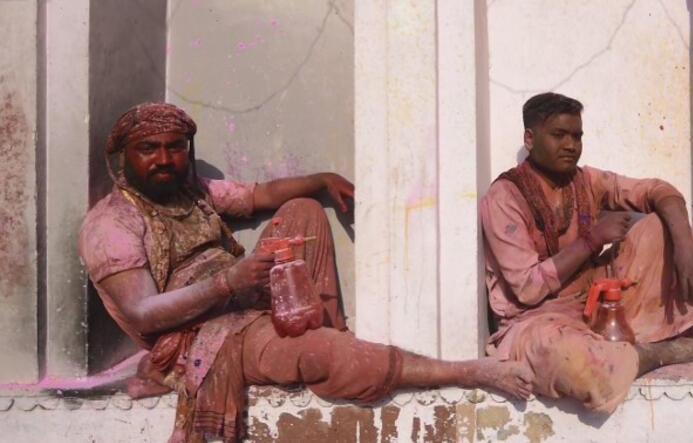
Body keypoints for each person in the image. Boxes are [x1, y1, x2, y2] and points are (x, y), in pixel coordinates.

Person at [79, 103, 533, 443]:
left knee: (302, 211)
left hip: (243, 297)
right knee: (337, 357)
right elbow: (140, 313)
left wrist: (321, 179)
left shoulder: (190, 191)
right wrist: (228, 283)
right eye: (148, 150)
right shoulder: (111, 223)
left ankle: (324, 330)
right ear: (122, 159)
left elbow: (260, 195)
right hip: (202, 336)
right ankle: (467, 371)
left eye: (175, 148)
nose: (164, 159)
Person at [480, 92, 693, 413]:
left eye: (577, 136)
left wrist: (685, 244)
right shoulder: (504, 198)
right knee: (579, 367)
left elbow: (658, 190)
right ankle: (677, 350)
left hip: (596, 303)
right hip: (536, 322)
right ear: (530, 138)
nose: (570, 145)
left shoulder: (586, 180)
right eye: (559, 135)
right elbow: (526, 287)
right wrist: (593, 239)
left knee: (658, 227)